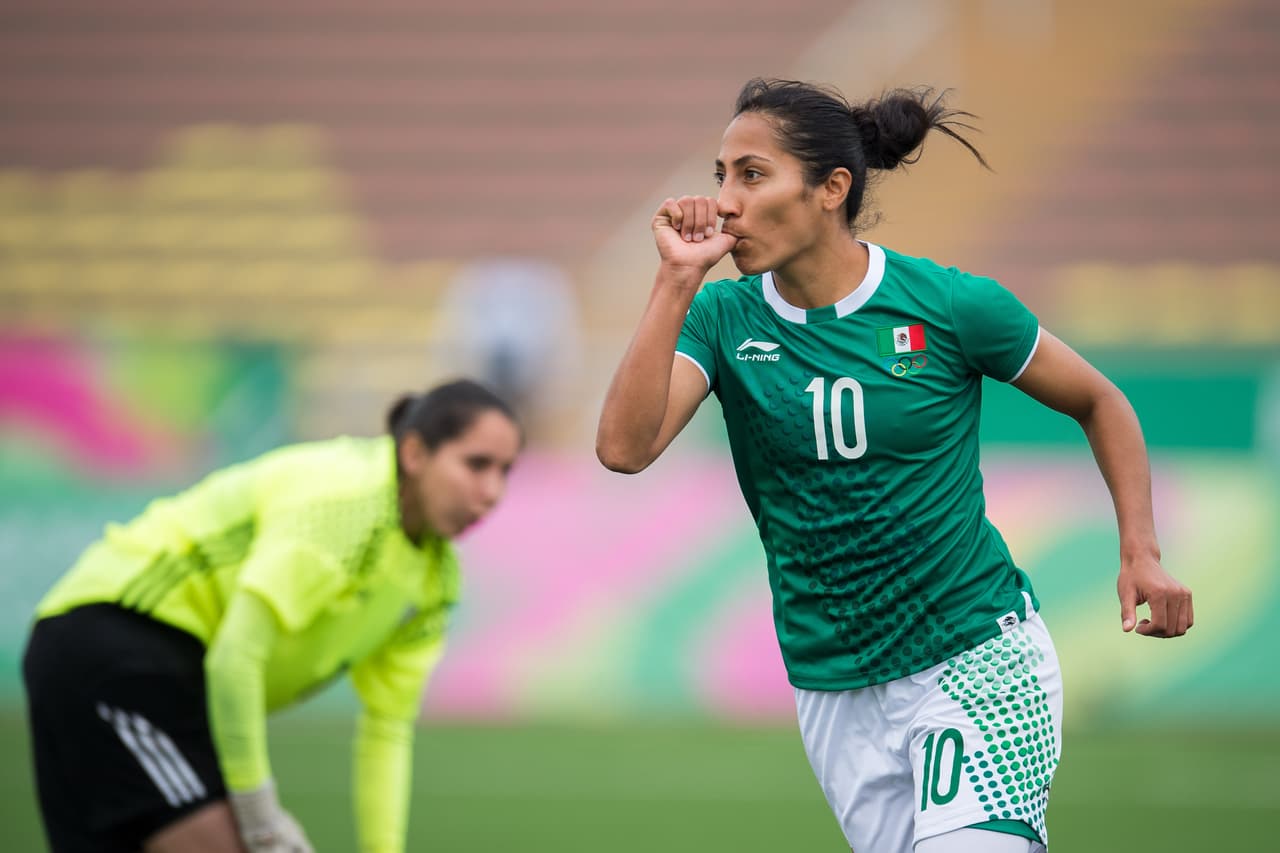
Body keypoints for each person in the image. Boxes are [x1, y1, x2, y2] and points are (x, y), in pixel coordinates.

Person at [596, 78, 1194, 853]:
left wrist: (1140, 550)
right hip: (833, 688)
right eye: (721, 177)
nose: (726, 201)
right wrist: (677, 279)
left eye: (752, 174)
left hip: (975, 653)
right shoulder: (721, 317)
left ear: (830, 189)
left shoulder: (948, 305)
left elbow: (1099, 400)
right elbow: (624, 448)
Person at [22, 379, 522, 853]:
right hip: (112, 637)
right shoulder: (345, 501)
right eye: (476, 464)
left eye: (505, 471)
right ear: (414, 453)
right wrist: (259, 817)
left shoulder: (434, 580)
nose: (492, 493)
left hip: (148, 670)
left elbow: (386, 730)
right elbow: (235, 660)